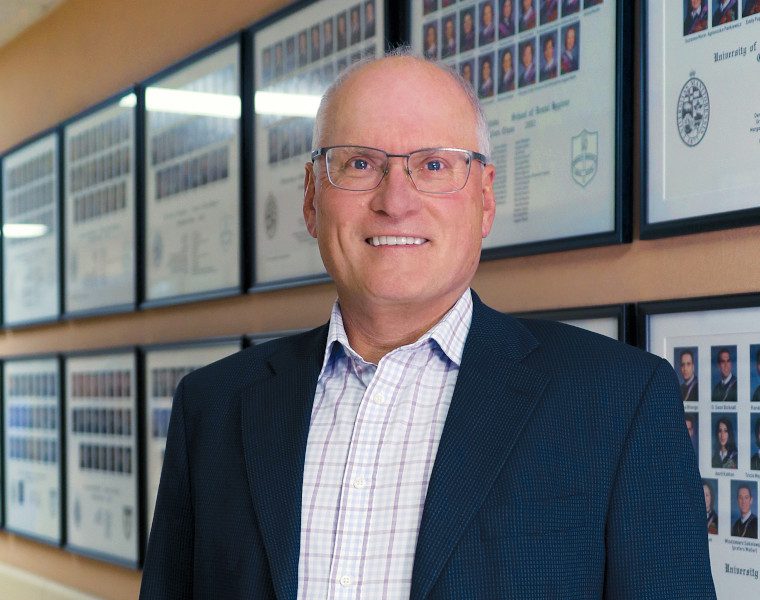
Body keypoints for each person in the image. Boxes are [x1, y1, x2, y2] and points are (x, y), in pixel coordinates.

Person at [141, 51, 716, 599]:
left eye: (434, 165)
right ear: (312, 197)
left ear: (485, 199)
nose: (395, 200)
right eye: (360, 163)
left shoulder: (619, 402)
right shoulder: (212, 408)